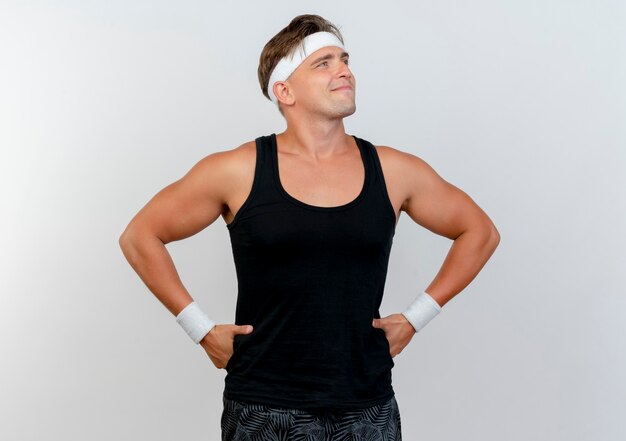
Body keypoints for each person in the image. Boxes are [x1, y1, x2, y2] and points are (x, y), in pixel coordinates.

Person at [119, 13, 500, 441]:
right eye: (323, 63)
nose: (344, 70)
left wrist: (415, 318)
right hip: (263, 408)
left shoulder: (394, 171)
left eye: (344, 59)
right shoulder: (237, 170)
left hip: (367, 407)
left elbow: (480, 232)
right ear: (284, 90)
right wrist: (200, 330)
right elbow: (140, 236)